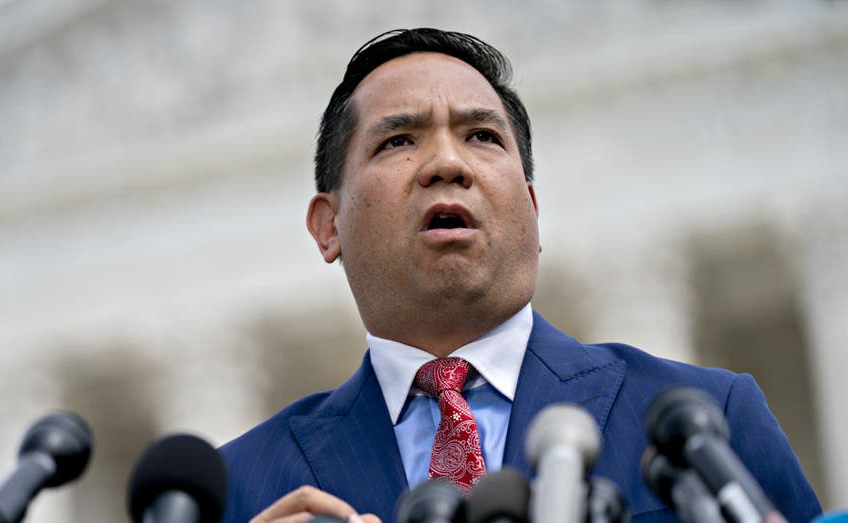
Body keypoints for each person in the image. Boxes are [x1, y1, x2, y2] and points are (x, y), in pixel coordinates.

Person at [218, 28, 821, 523]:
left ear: (532, 211)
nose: (447, 164)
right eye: (398, 140)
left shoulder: (709, 426)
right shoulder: (240, 491)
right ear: (328, 227)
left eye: (481, 136)